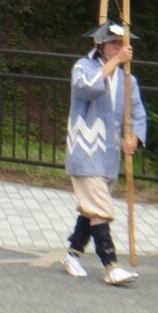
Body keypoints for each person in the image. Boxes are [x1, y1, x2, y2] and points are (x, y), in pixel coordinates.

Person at [62, 20, 146, 286]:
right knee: (100, 208)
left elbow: (138, 114)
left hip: (109, 154)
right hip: (84, 150)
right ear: (99, 44)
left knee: (91, 210)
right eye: (113, 43)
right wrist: (116, 62)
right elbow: (85, 88)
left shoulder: (128, 79)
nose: (118, 47)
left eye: (122, 43)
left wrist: (135, 137)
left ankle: (73, 254)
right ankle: (111, 265)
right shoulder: (83, 67)